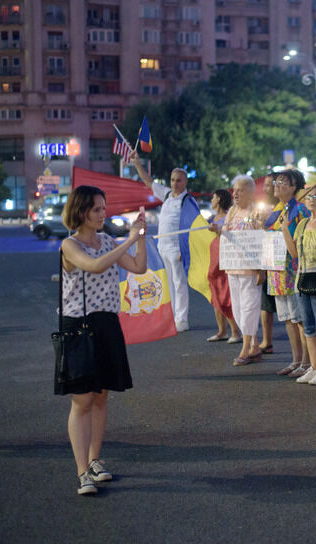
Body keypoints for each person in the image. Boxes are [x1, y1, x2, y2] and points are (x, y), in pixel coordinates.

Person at [57, 185, 147, 495]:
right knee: (82, 398)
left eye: (104, 208)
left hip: (107, 322)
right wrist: (130, 241)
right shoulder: (69, 245)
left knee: (101, 394)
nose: (103, 213)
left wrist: (141, 238)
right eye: (97, 209)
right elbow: (95, 265)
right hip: (79, 325)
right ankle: (82, 471)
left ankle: (95, 460)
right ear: (82, 212)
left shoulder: (108, 240)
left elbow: (139, 266)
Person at [131, 152, 192, 332]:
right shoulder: (166, 195)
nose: (175, 183)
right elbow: (148, 181)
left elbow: (191, 227)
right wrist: (136, 163)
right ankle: (173, 316)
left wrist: (185, 250)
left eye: (179, 180)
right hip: (163, 246)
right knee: (170, 283)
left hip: (176, 248)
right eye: (173, 180)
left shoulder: (187, 201)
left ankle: (182, 319)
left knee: (179, 283)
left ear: (185, 182)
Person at [282, 185, 316, 385]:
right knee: (308, 326)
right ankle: (314, 366)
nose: (312, 199)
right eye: (309, 196)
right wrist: (285, 230)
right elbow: (294, 253)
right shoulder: (303, 224)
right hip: (302, 278)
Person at [266, 169, 311, 377]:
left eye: (282, 181)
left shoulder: (300, 210)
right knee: (287, 319)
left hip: (294, 271)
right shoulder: (276, 211)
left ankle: (307, 362)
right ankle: (295, 359)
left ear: (294, 187)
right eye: (276, 181)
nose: (276, 184)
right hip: (276, 271)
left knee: (299, 319)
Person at [220, 175, 265, 365]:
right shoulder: (231, 212)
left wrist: (261, 269)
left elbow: (264, 241)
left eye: (240, 190)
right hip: (233, 267)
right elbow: (226, 235)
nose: (235, 193)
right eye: (234, 190)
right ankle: (254, 344)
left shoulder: (257, 212)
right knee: (238, 309)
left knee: (249, 308)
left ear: (250, 192)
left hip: (250, 268)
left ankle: (245, 349)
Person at [206, 188, 242, 344]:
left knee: (224, 294)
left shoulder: (229, 217)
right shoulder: (212, 218)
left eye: (213, 198)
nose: (212, 200)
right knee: (215, 292)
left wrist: (219, 231)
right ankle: (222, 330)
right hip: (214, 254)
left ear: (219, 199)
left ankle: (235, 330)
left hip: (224, 256)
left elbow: (231, 237)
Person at [258, 173, 279, 354]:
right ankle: (267, 340)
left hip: (282, 260)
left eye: (269, 185)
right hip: (266, 258)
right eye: (265, 185)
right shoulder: (262, 208)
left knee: (291, 313)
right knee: (265, 304)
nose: (266, 189)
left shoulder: (285, 207)